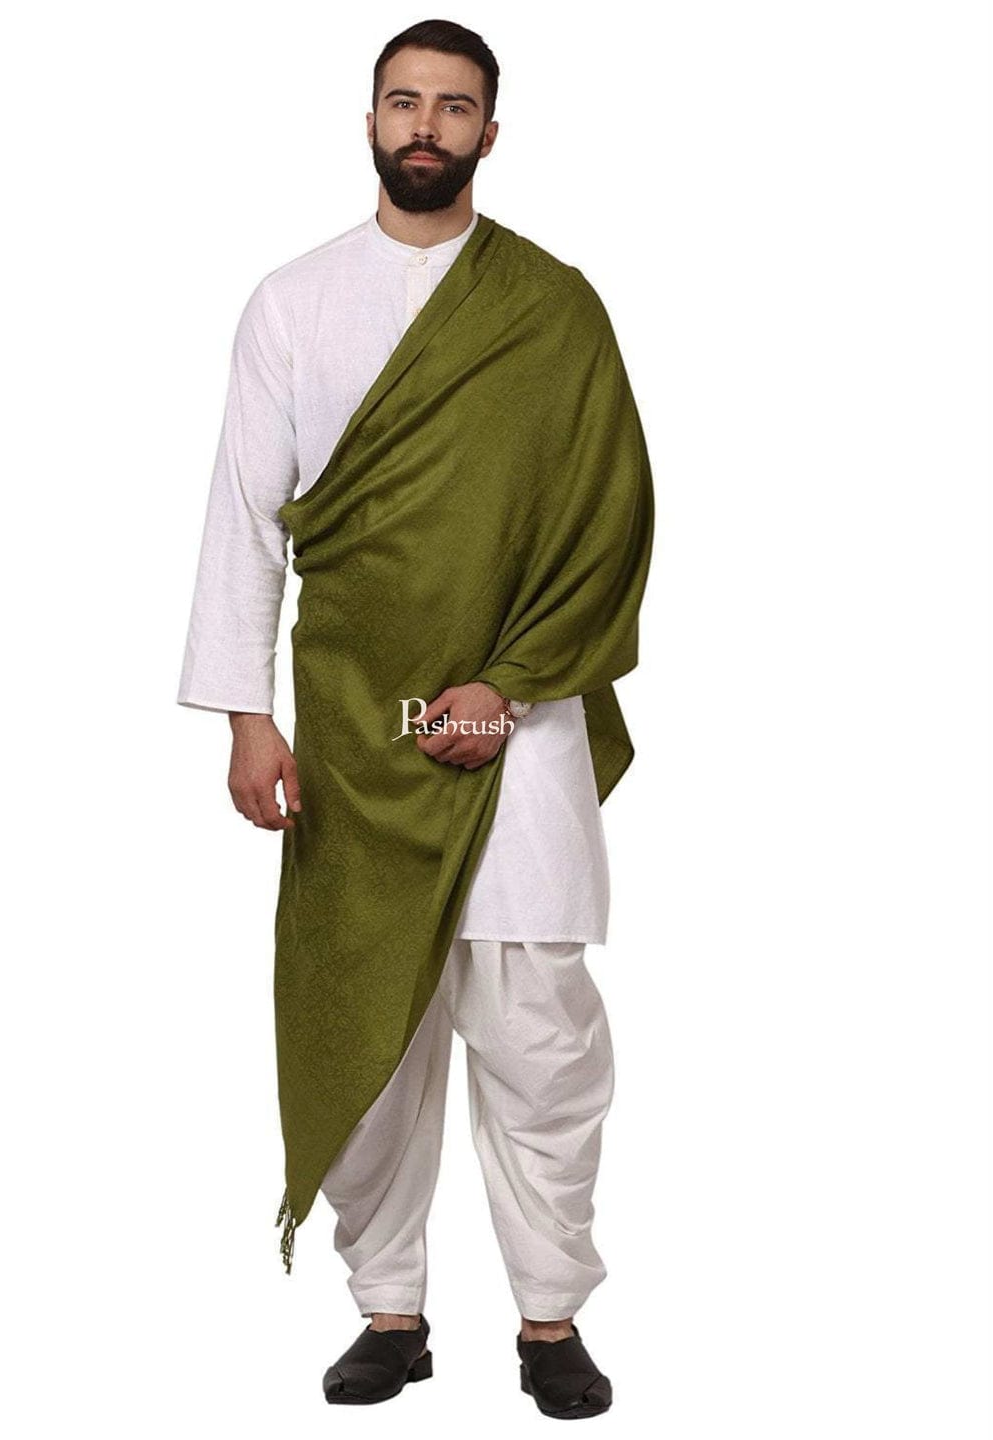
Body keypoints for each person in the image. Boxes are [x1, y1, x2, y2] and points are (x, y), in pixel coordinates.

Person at [176, 17, 654, 1419]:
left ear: (491, 133)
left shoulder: (555, 309)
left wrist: (508, 688)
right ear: (371, 120)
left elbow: (611, 519)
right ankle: (389, 1310)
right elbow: (244, 515)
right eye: (405, 101)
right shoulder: (293, 301)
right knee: (367, 1028)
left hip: (524, 729)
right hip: (350, 730)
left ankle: (551, 1322)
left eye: (454, 106)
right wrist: (245, 715)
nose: (427, 126)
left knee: (539, 1036)